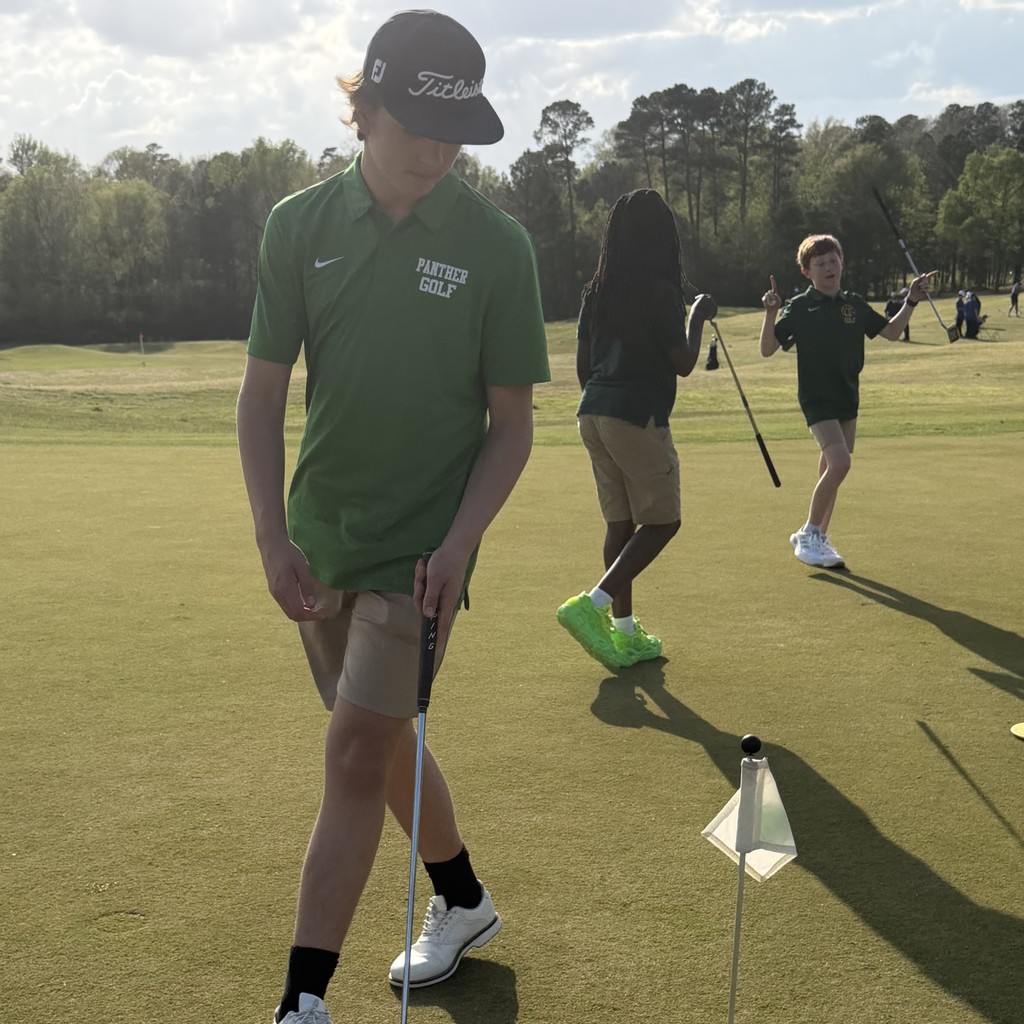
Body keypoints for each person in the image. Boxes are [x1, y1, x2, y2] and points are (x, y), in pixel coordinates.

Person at [235, 11, 550, 1024]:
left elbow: (511, 424)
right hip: (320, 540)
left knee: (354, 753)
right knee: (379, 740)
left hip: (422, 555)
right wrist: (271, 537)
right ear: (362, 107)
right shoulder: (297, 225)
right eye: (413, 119)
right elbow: (260, 393)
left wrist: (460, 544)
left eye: (453, 129)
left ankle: (301, 1001)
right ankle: (461, 898)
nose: (435, 148)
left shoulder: (497, 245)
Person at [556, 189, 717, 670]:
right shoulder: (660, 290)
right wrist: (697, 317)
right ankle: (594, 606)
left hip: (594, 412)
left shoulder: (598, 290)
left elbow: (584, 364)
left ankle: (624, 635)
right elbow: (684, 362)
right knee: (663, 521)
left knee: (620, 523)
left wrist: (603, 401)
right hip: (636, 414)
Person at [759, 234, 934, 569]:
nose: (828, 267)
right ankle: (809, 532)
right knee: (840, 463)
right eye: (820, 263)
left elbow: (892, 332)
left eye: (833, 260)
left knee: (831, 468)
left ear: (842, 262)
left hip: (847, 396)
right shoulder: (799, 306)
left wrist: (911, 300)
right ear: (807, 271)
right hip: (817, 398)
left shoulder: (854, 303)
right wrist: (771, 312)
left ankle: (819, 538)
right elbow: (767, 348)